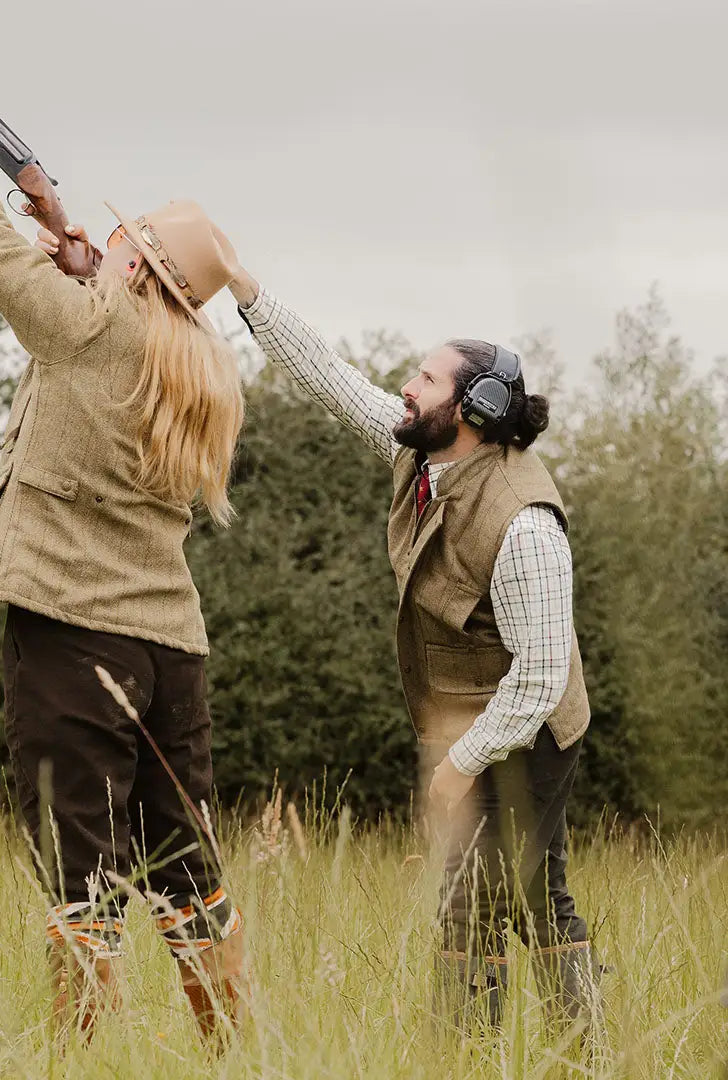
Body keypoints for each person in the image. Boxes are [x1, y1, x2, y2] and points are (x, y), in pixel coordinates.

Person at [0, 73, 247, 1042]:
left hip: (70, 634)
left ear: (137, 271)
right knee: (187, 868)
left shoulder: (94, 326)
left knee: (79, 865)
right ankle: (236, 1047)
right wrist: (69, 244)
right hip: (168, 647)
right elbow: (94, 317)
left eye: (127, 241)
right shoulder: (195, 368)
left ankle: (77, 1057)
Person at [218, 267, 599, 1032]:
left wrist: (459, 764)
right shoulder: (421, 454)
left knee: (474, 904)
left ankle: (470, 1051)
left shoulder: (525, 522)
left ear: (475, 409)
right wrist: (245, 291)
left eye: (424, 378)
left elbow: (538, 679)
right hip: (473, 719)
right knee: (530, 897)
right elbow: (330, 379)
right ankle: (578, 1049)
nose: (405, 387)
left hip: (530, 732)